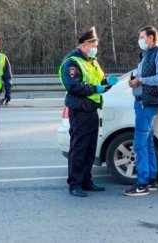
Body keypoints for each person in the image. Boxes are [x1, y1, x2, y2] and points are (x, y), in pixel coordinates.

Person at [59, 27, 119, 197]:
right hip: (80, 110)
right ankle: (75, 184)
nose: (95, 47)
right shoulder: (72, 62)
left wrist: (108, 81)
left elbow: (99, 79)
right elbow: (73, 86)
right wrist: (96, 88)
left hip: (92, 110)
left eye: (96, 44)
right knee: (79, 148)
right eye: (93, 44)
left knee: (90, 148)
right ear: (84, 45)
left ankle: (86, 180)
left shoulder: (91, 60)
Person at [124, 26, 158, 196]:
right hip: (142, 102)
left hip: (147, 103)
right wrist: (133, 80)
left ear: (151, 38)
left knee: (139, 144)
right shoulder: (147, 55)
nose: (140, 39)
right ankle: (151, 180)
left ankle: (141, 183)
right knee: (148, 142)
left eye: (142, 36)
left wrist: (140, 81)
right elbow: (139, 74)